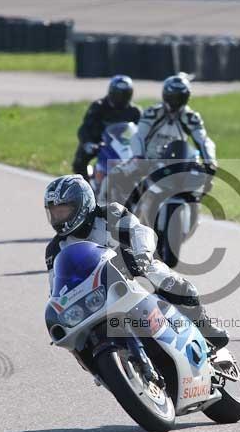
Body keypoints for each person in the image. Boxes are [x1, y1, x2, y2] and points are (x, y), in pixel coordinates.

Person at [44, 175, 229, 349]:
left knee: (174, 285)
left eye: (63, 211)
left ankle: (204, 327)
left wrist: (142, 256)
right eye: (54, 213)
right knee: (79, 343)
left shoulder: (110, 213)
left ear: (82, 204)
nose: (58, 218)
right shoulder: (55, 249)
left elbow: (140, 231)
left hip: (133, 271)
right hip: (94, 293)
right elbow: (56, 288)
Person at [130, 73, 216, 164]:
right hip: (148, 162)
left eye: (180, 98)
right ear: (165, 95)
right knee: (123, 173)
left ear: (187, 97)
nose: (176, 102)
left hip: (176, 164)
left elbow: (203, 140)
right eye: (172, 98)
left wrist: (210, 162)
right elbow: (139, 136)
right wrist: (139, 157)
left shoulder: (191, 118)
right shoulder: (152, 113)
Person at [72, 75, 142, 179]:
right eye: (118, 95)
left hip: (124, 146)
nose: (121, 98)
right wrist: (88, 143)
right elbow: (85, 128)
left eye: (125, 95)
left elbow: (141, 132)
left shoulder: (135, 111)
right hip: (99, 144)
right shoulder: (98, 106)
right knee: (79, 161)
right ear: (111, 92)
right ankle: (83, 187)